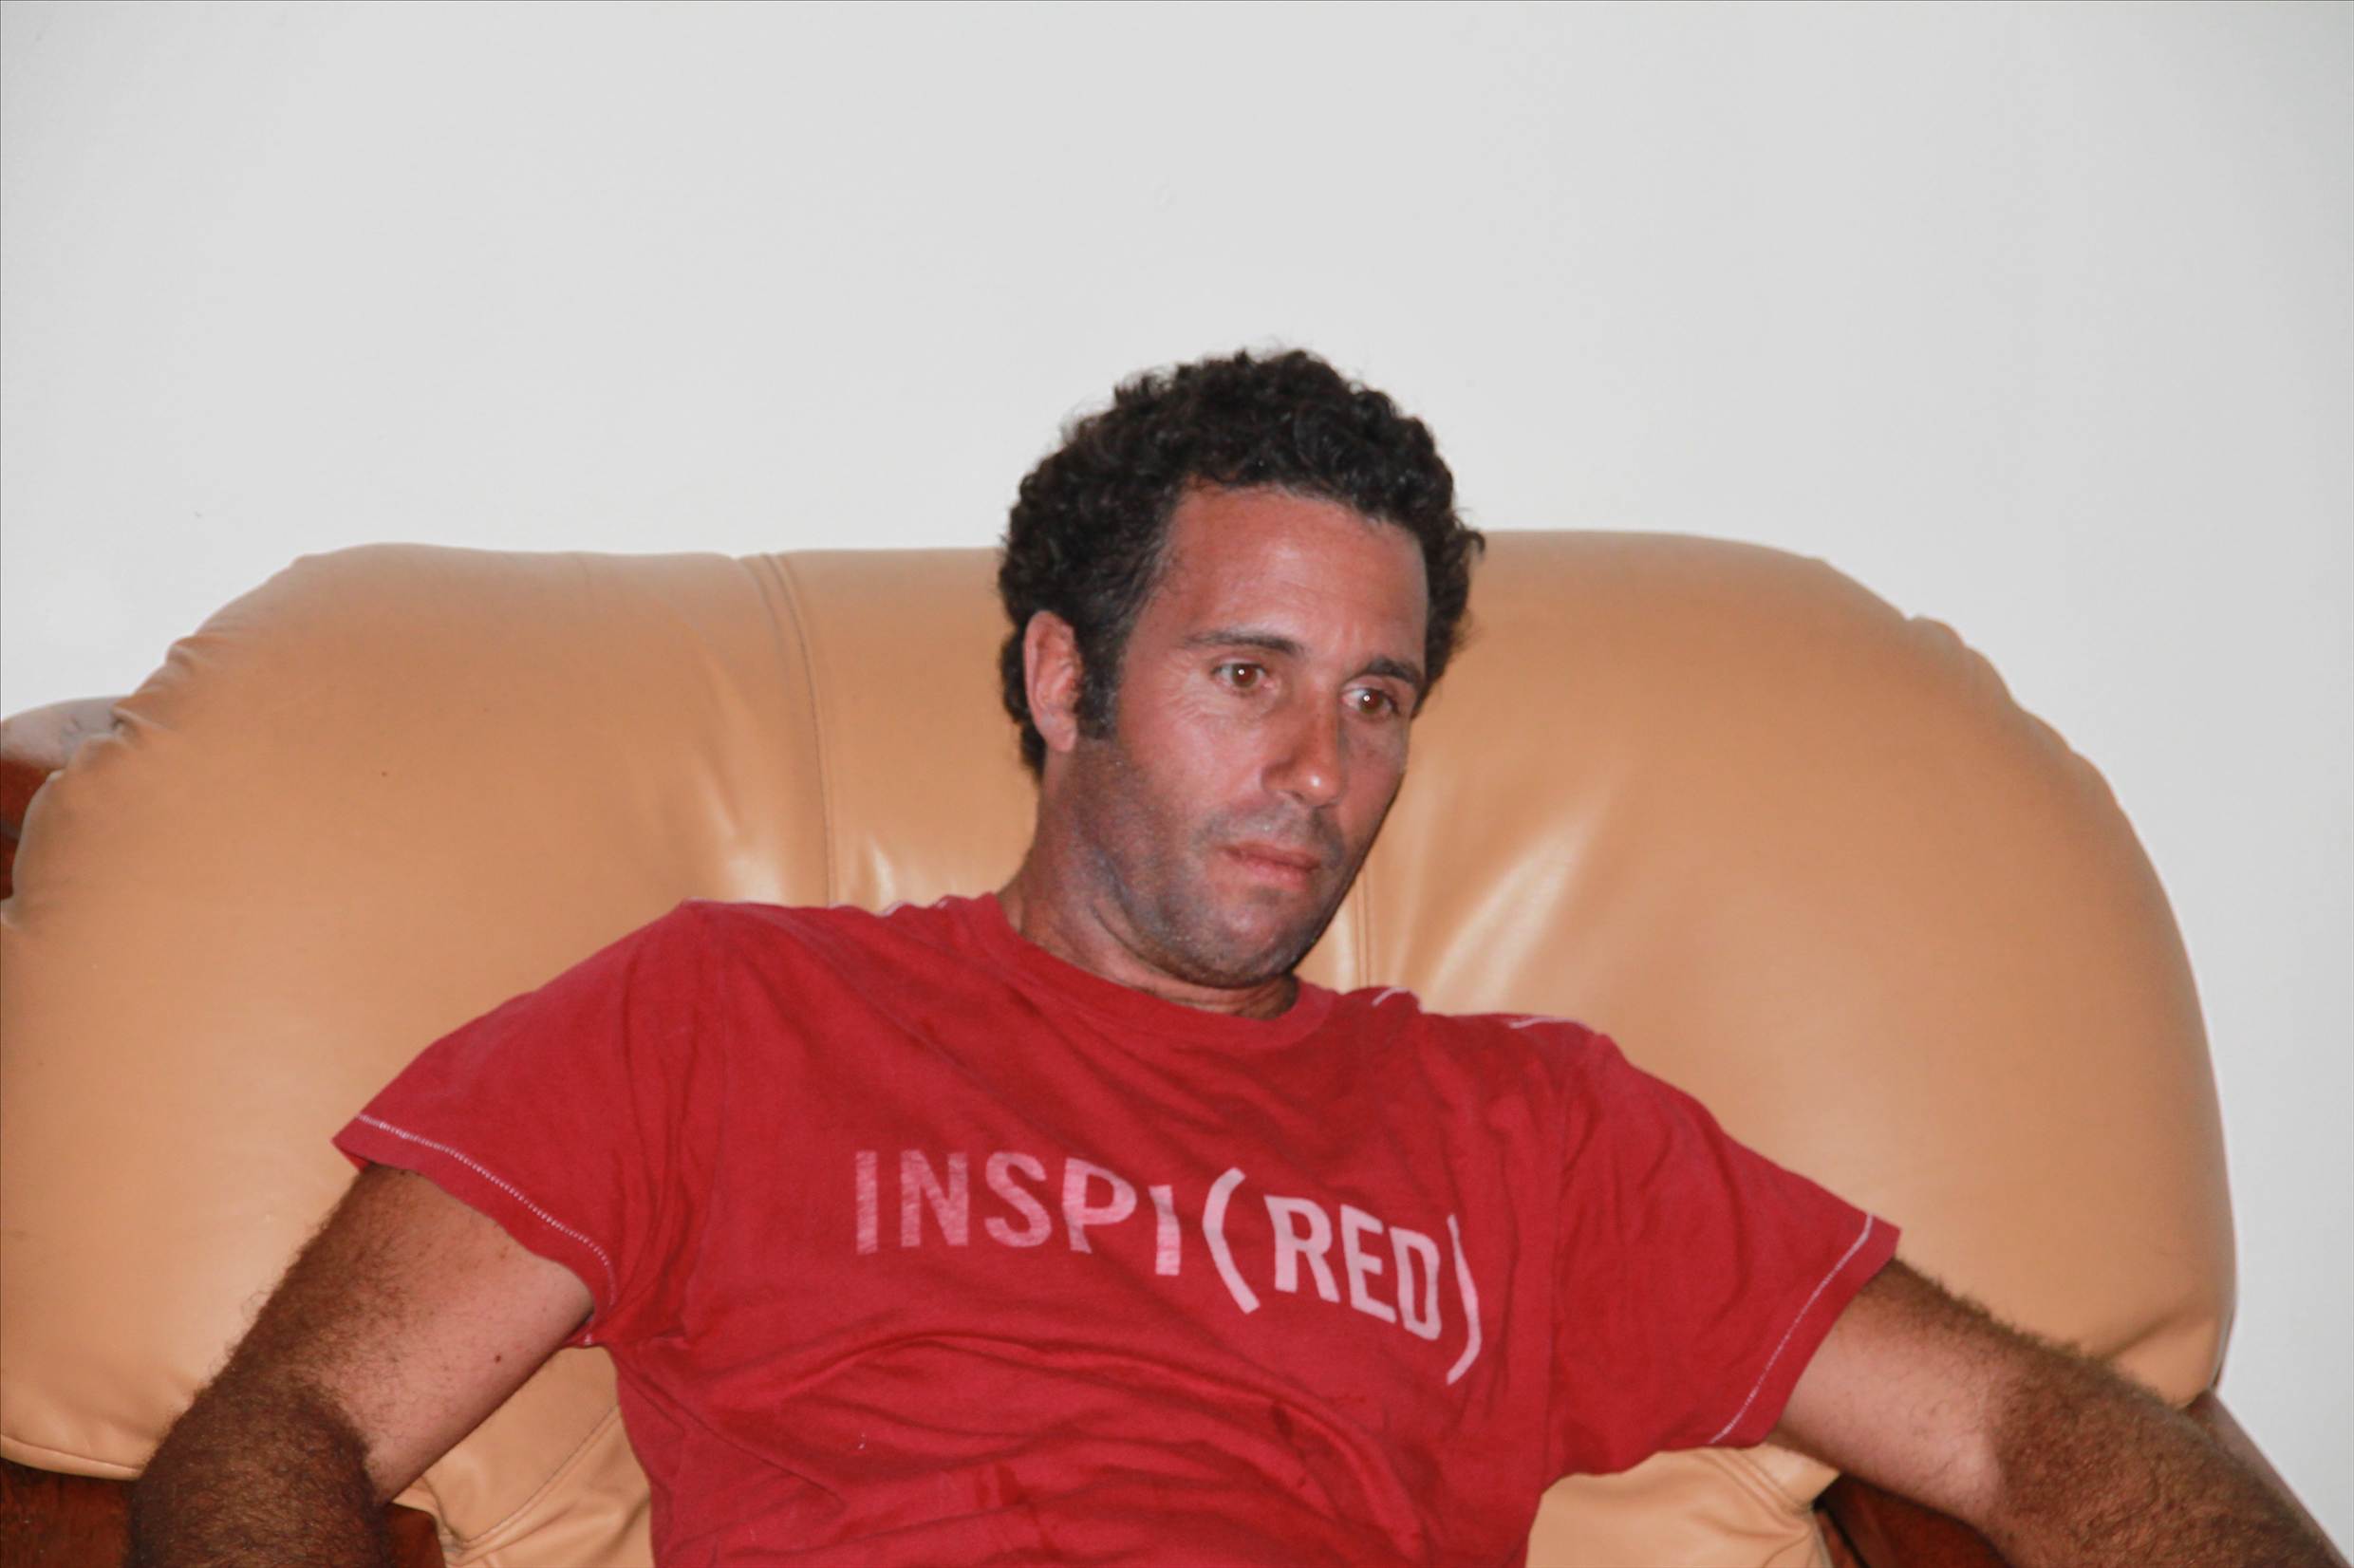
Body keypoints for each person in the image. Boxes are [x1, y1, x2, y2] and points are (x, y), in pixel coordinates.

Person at [128, 351, 2329, 1567]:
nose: (1317, 767)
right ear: (1061, 676)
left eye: (1376, 697)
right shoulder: (722, 1015)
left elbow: (2031, 1432)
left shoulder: (1533, 1130)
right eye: (1246, 673)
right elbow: (283, 1424)